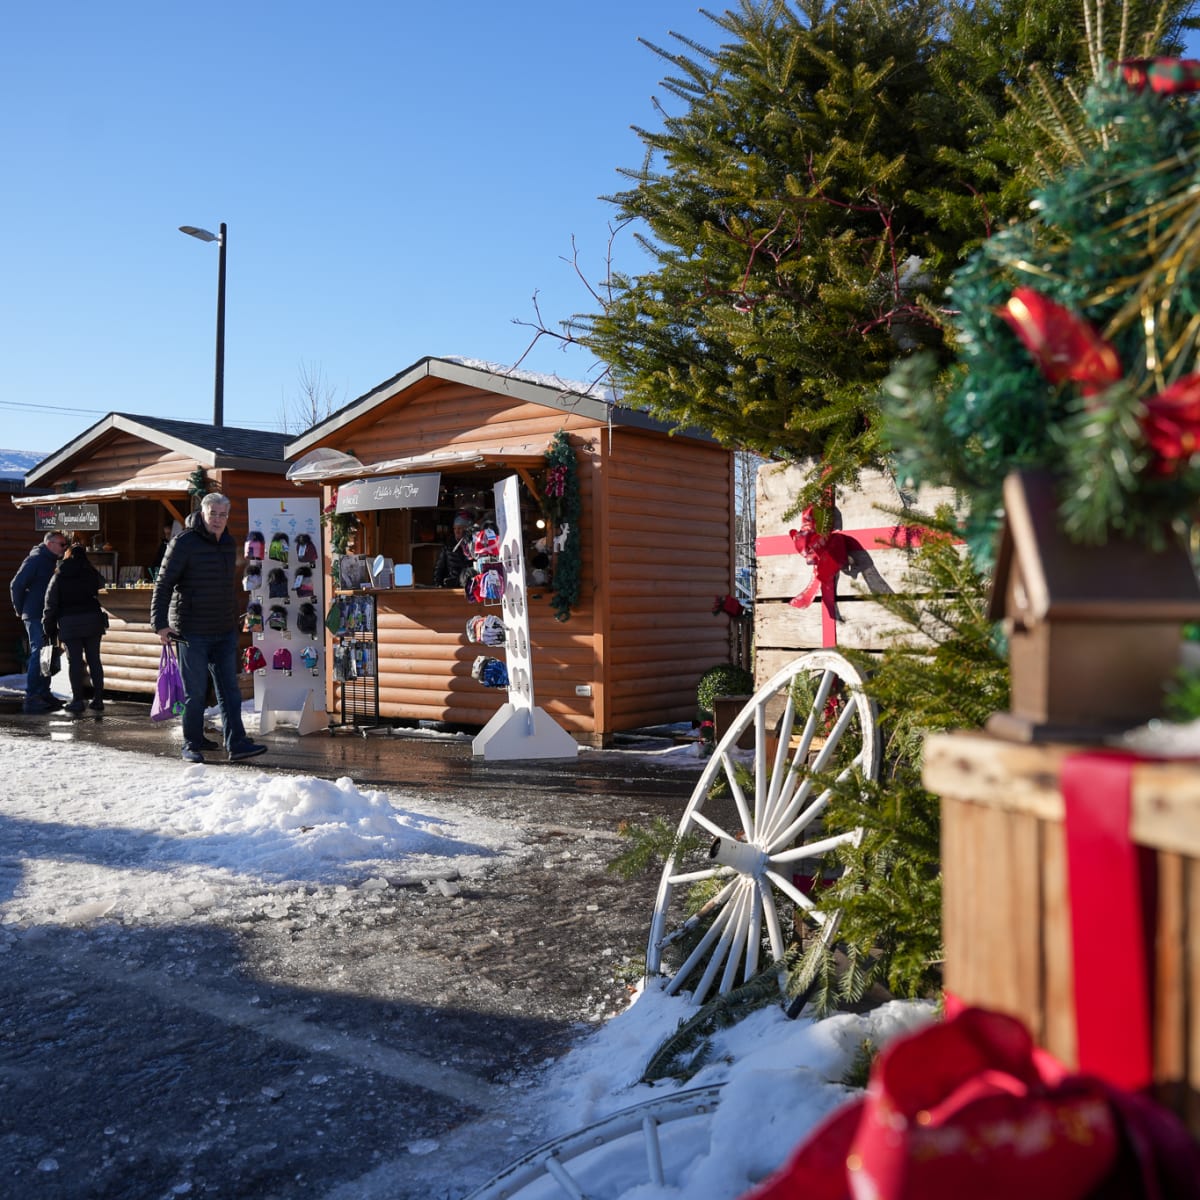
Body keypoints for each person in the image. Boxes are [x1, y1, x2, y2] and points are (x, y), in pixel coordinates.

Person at [150, 493, 266, 763]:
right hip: (192, 631)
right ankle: (191, 744)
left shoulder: (227, 542)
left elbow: (226, 586)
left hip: (224, 629)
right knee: (195, 692)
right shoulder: (183, 542)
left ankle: (236, 743)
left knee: (230, 691)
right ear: (203, 513)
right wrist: (160, 624)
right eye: (212, 513)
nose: (217, 519)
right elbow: (164, 583)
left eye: (222, 514)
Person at [42, 544, 108, 714]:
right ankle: (98, 699)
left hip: (69, 622)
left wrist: (48, 626)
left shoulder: (59, 574)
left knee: (75, 662)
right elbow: (102, 583)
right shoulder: (91, 572)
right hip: (93, 620)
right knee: (94, 660)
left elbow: (50, 603)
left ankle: (78, 700)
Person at [9, 530, 68, 714]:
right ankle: (33, 695)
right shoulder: (35, 560)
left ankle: (43, 692)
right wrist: (20, 610)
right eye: (62, 544)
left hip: (48, 614)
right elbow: (16, 584)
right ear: (50, 544)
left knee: (48, 655)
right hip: (35, 614)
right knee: (39, 652)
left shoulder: (52, 561)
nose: (64, 548)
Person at [433, 511, 475, 588]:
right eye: (455, 528)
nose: (456, 531)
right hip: (452, 586)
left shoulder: (473, 546)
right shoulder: (448, 547)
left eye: (460, 528)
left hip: (471, 585)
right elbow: (439, 568)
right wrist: (438, 584)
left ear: (467, 530)